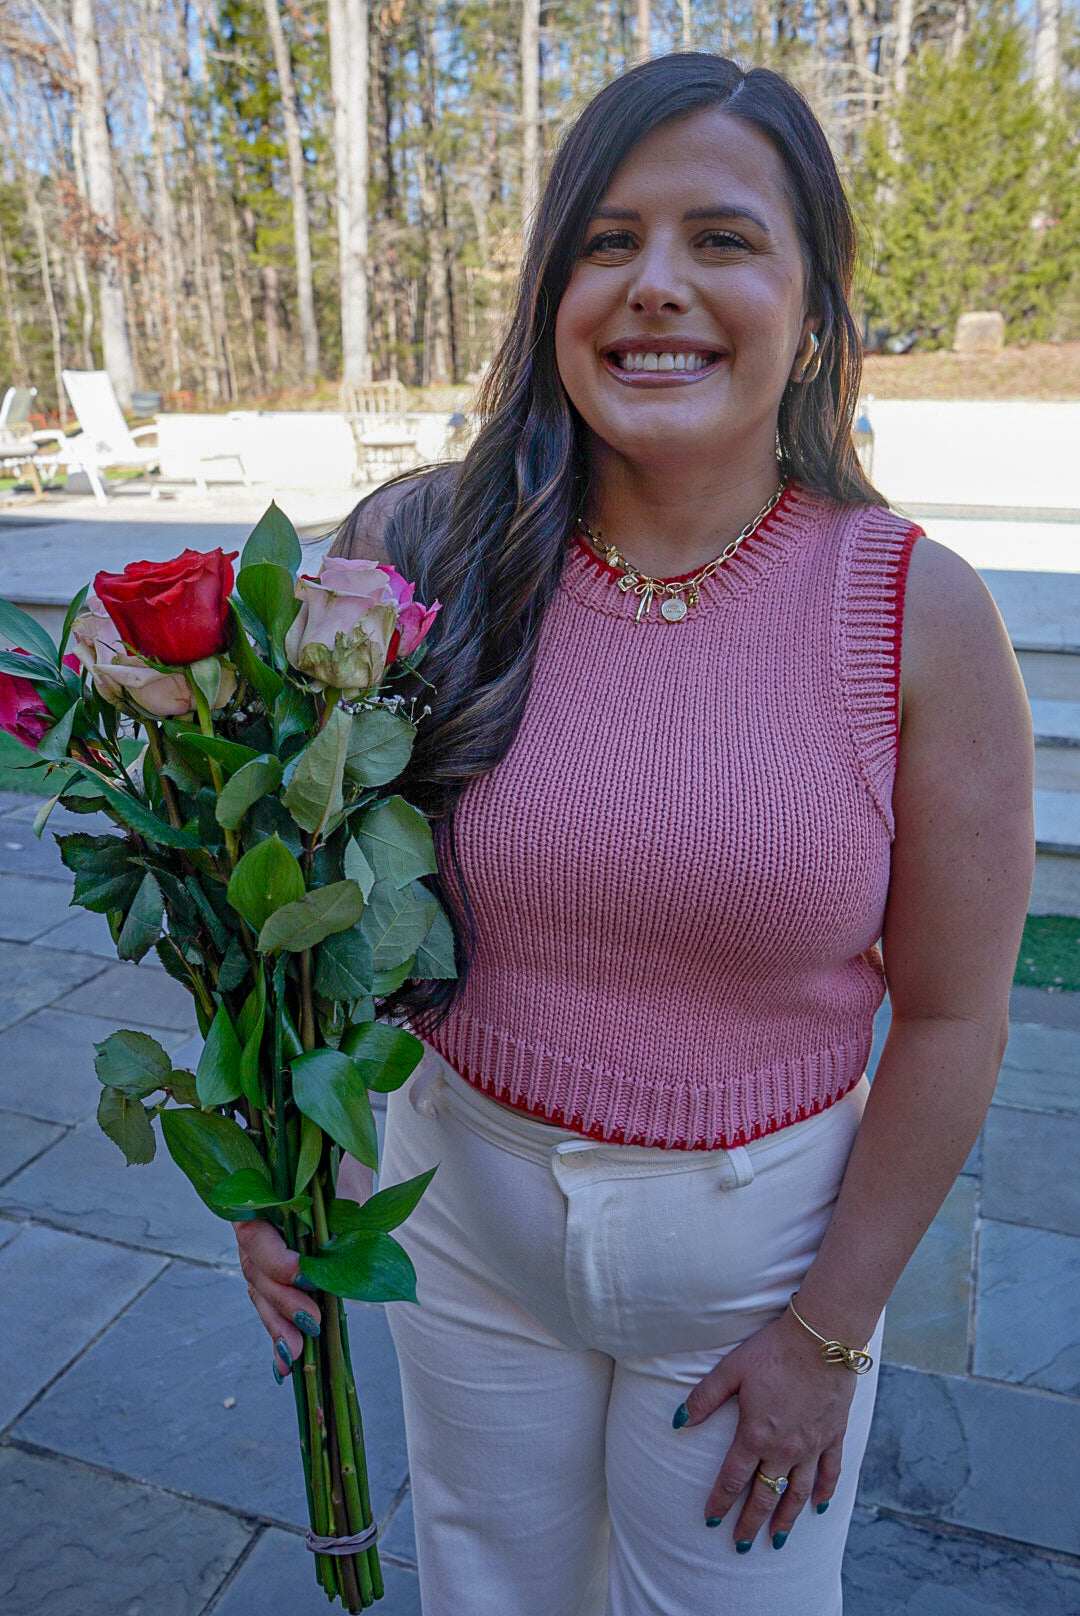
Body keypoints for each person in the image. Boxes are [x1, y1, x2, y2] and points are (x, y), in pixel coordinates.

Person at [235, 52, 1033, 1616]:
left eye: (722, 239)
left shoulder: (916, 612)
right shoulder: (415, 551)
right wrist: (288, 1163)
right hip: (455, 1220)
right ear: (554, 294)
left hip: (758, 1269)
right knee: (487, 1586)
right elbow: (293, 895)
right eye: (607, 242)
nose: (656, 282)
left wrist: (827, 1336)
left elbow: (954, 1014)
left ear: (815, 311)